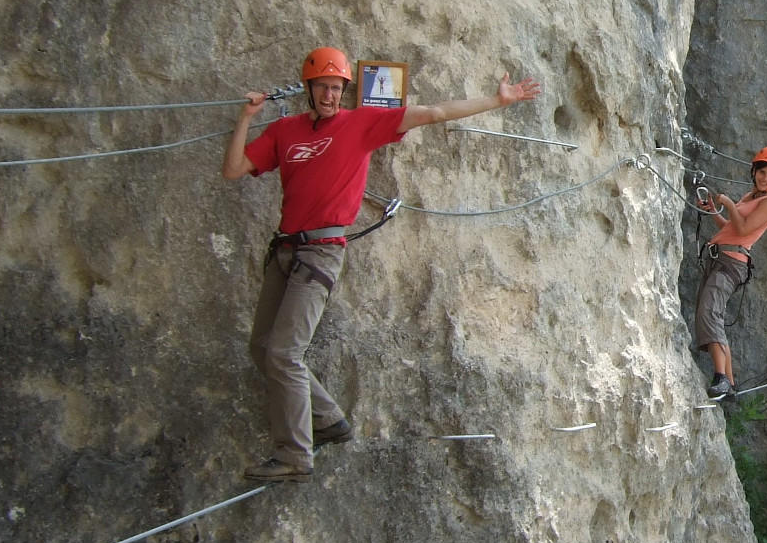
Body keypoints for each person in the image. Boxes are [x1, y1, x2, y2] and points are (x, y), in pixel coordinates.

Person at [221, 46, 542, 483]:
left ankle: (295, 455)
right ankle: (329, 420)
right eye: (324, 87)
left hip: (320, 253)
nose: (331, 95)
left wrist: (496, 100)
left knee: (283, 352)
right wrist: (245, 118)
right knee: (262, 349)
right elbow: (235, 168)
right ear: (309, 89)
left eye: (338, 88)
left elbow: (433, 112)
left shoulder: (361, 124)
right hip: (284, 251)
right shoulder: (285, 130)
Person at [693, 147, 767, 399]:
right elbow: (729, 226)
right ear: (754, 171)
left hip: (732, 264)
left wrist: (730, 204)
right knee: (712, 312)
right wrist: (713, 208)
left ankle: (721, 378)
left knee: (710, 312)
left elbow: (743, 230)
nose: (765, 179)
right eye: (762, 173)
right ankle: (729, 385)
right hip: (719, 257)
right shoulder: (749, 196)